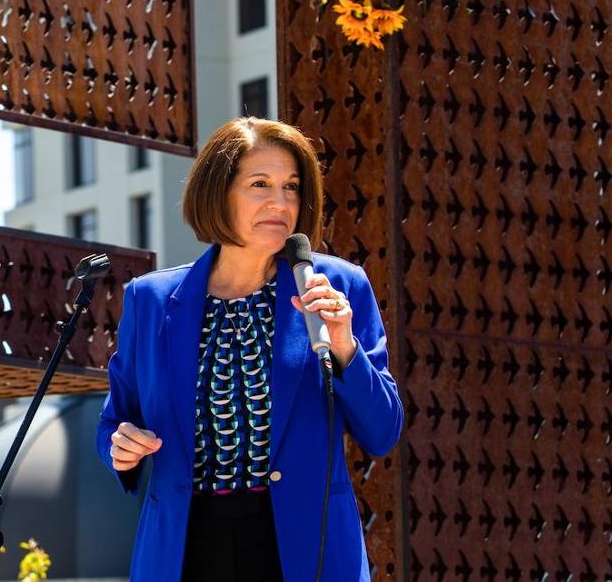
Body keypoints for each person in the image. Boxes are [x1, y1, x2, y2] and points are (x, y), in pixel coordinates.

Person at [96, 117, 403, 582]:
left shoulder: (339, 286)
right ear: (217, 192)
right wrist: (120, 447)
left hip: (303, 548)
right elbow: (114, 421)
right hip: (187, 547)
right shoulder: (151, 300)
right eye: (260, 184)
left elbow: (382, 432)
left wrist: (345, 347)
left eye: (292, 187)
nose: (281, 202)